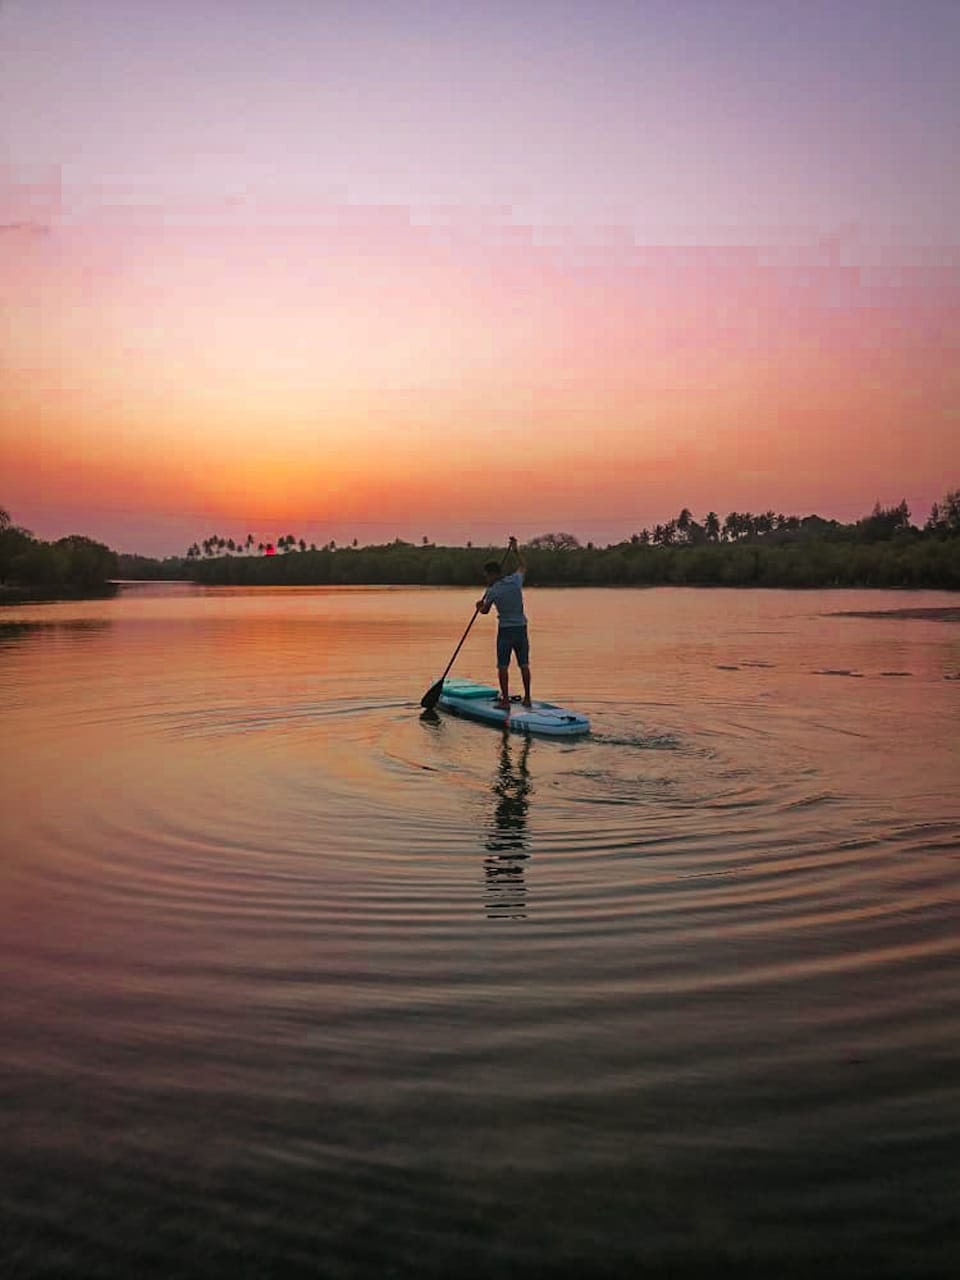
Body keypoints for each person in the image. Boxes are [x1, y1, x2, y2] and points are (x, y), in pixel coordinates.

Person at [477, 535, 531, 711]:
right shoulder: (516, 581)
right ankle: (528, 698)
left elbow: (485, 611)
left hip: (506, 631)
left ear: (493, 574)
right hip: (521, 628)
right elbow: (523, 566)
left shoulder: (492, 590)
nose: (485, 579)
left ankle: (506, 701)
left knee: (503, 666)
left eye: (486, 575)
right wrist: (516, 551)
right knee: (524, 664)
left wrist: (479, 606)